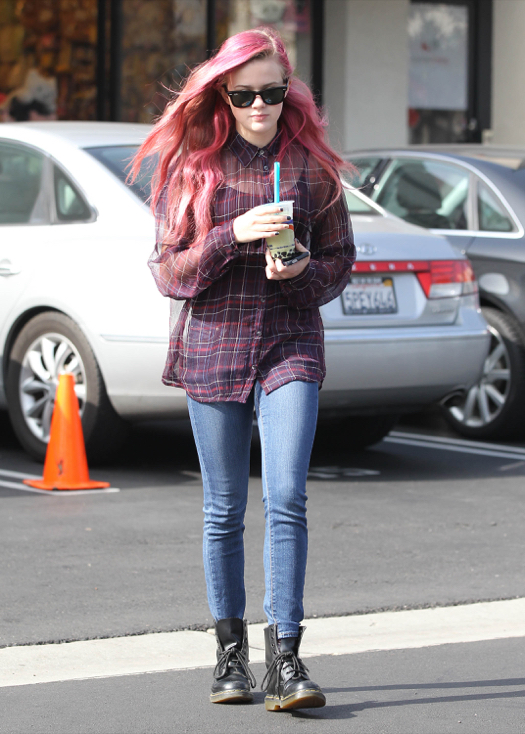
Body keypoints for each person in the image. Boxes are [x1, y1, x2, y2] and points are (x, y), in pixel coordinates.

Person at [132, 27, 355, 711]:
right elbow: (170, 274)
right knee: (224, 508)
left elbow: (339, 264)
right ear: (222, 97)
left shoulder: (312, 170)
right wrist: (232, 235)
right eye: (244, 95)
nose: (260, 107)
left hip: (291, 344)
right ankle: (229, 658)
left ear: (288, 93)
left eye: (272, 93)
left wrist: (300, 269)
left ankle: (285, 658)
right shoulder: (194, 170)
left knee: (286, 496)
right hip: (214, 348)